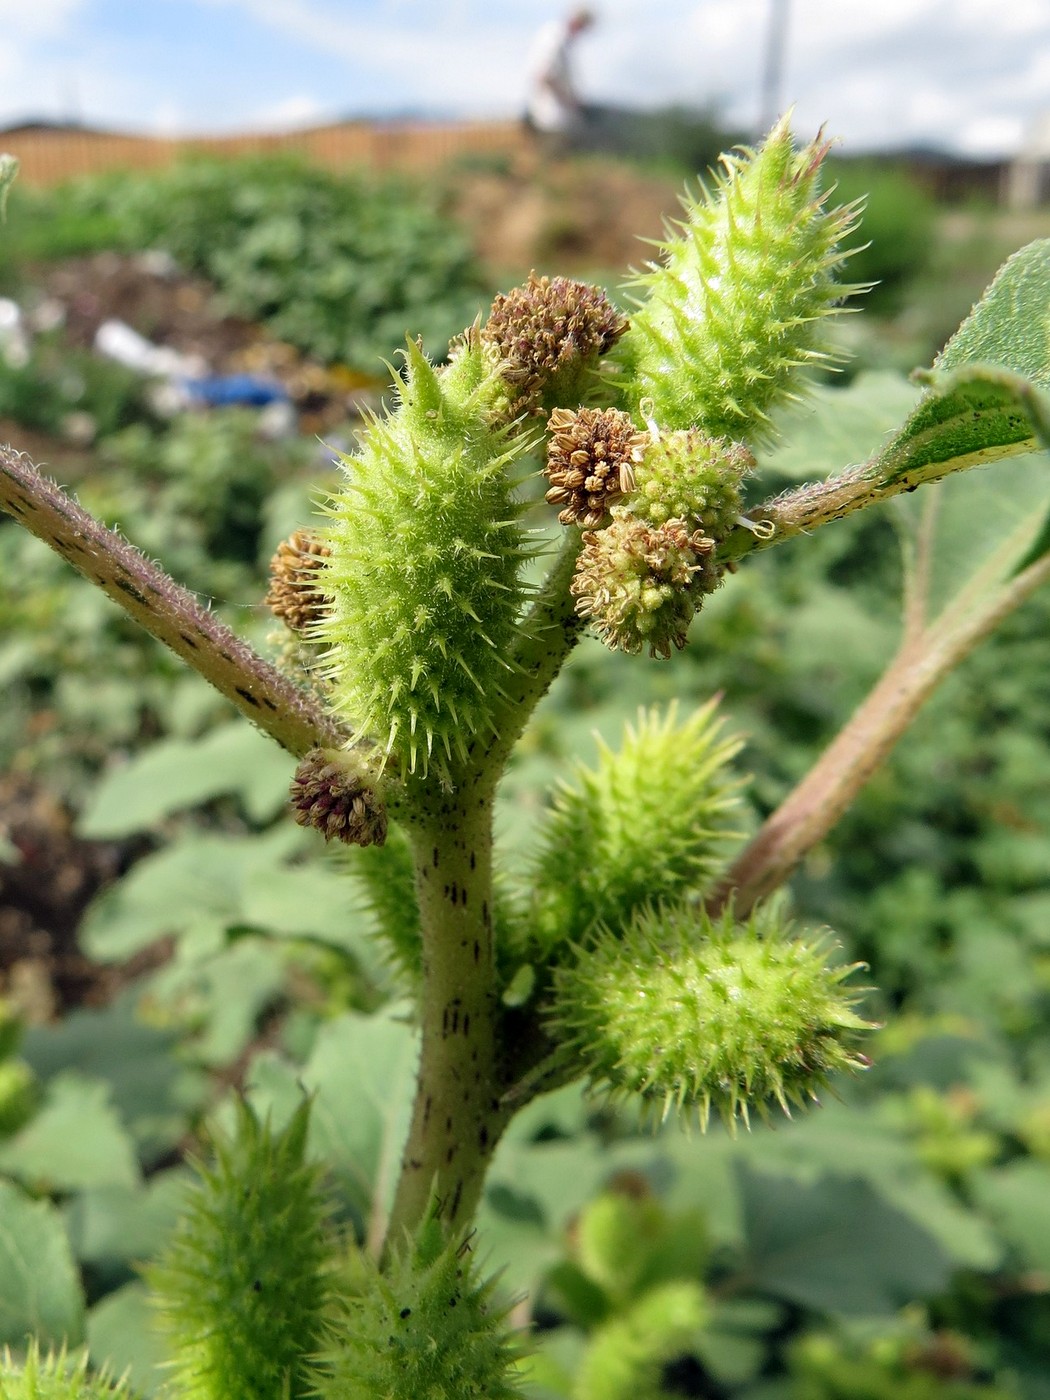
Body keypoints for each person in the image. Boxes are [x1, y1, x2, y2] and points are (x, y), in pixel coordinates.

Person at [525, 8, 596, 155]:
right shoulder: (554, 37)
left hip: (557, 117)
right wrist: (569, 101)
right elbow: (545, 74)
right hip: (550, 117)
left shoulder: (562, 40)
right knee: (555, 159)